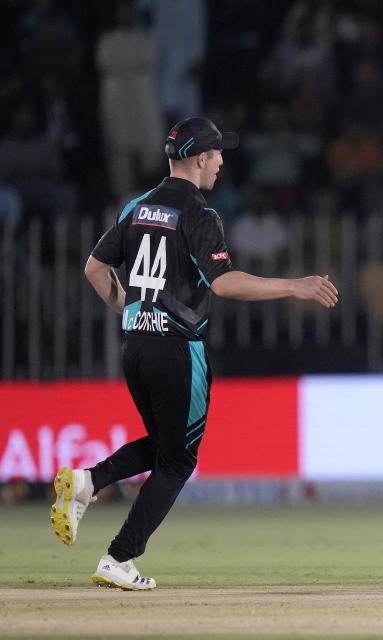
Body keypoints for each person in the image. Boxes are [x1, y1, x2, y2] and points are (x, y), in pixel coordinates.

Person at [50, 117, 339, 590]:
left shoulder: (137, 207)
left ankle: (88, 482)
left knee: (167, 446)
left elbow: (94, 268)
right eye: (219, 154)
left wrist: (128, 307)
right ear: (200, 158)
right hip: (178, 351)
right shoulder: (200, 215)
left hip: (136, 346)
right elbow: (224, 284)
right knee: (180, 461)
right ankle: (119, 558)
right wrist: (294, 286)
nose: (223, 163)